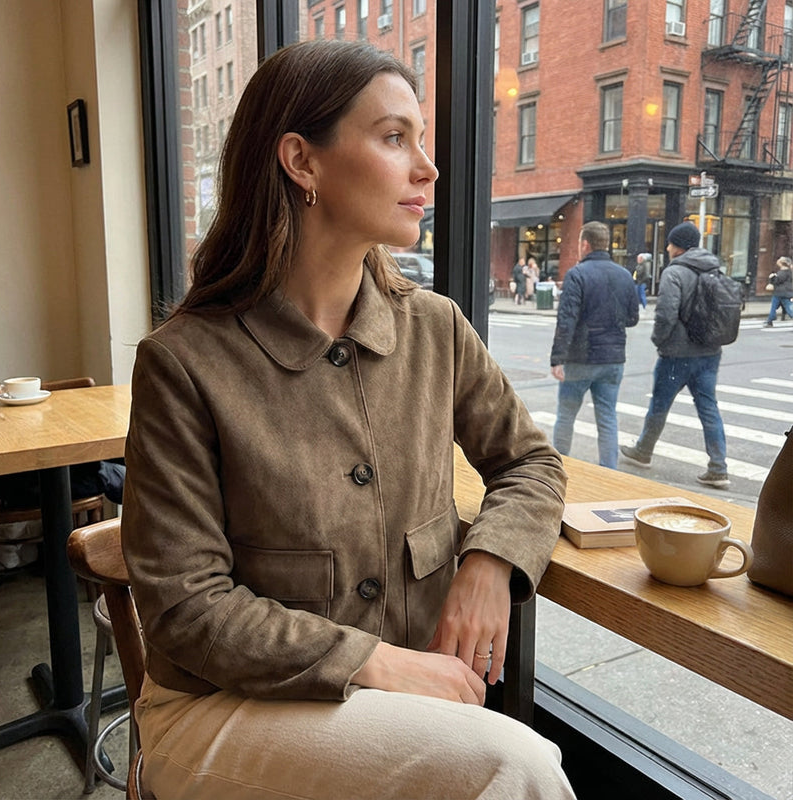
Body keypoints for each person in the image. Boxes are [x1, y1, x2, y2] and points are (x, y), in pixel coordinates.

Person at [120, 40, 575, 800]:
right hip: (222, 705)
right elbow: (187, 608)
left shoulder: (435, 328)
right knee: (514, 767)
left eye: (421, 140)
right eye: (395, 137)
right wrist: (378, 662)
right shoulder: (184, 362)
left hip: (405, 702)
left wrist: (490, 562)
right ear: (302, 161)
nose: (429, 169)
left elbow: (529, 461)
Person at [620, 221, 730, 488]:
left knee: (659, 404)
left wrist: (659, 340)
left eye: (670, 243)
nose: (667, 248)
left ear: (679, 246)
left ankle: (643, 451)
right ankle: (718, 466)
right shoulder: (715, 269)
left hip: (677, 354)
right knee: (708, 407)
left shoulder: (674, 272)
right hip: (709, 352)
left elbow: (666, 314)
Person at [549, 221, 639, 470]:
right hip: (613, 359)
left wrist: (557, 358)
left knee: (566, 415)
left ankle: (558, 467)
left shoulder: (577, 275)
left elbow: (567, 320)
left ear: (585, 244)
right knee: (607, 417)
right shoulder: (624, 275)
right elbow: (632, 318)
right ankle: (610, 470)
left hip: (581, 358)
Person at [763, 256, 793, 327]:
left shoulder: (782, 272)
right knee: (788, 307)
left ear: (781, 263)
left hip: (780, 293)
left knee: (775, 307)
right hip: (787, 292)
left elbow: (777, 281)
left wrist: (772, 277)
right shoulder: (789, 272)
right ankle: (770, 320)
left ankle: (770, 320)